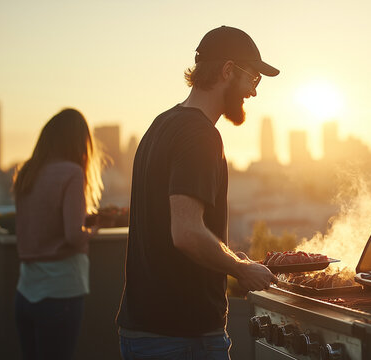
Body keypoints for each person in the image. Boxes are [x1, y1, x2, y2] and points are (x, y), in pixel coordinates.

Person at [116, 26, 279, 360]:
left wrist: (234, 258)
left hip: (144, 331)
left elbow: (174, 228)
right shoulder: (200, 135)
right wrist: (241, 270)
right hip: (182, 338)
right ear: (228, 70)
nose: (254, 92)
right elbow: (187, 233)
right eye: (253, 79)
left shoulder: (161, 125)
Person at [12, 108, 104, 359]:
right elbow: (73, 235)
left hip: (25, 291)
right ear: (78, 140)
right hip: (60, 291)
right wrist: (92, 230)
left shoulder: (27, 172)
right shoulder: (72, 172)